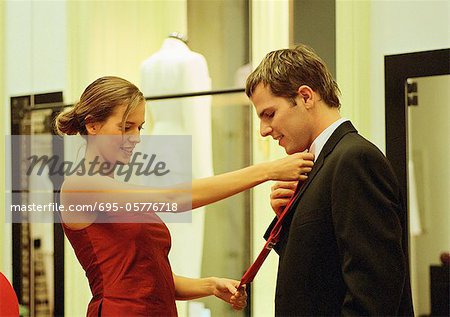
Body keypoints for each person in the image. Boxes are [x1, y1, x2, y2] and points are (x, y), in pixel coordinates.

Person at [54, 76, 314, 316]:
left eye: (139, 128)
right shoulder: (80, 186)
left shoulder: (119, 190)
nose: (135, 138)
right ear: (92, 125)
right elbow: (173, 199)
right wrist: (267, 170)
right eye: (126, 127)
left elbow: (151, 277)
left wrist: (211, 285)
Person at [245, 45, 414, 316]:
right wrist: (287, 219)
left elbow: (373, 289)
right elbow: (319, 273)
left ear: (305, 97)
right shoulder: (321, 163)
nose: (264, 130)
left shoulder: (354, 159)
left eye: (269, 114)